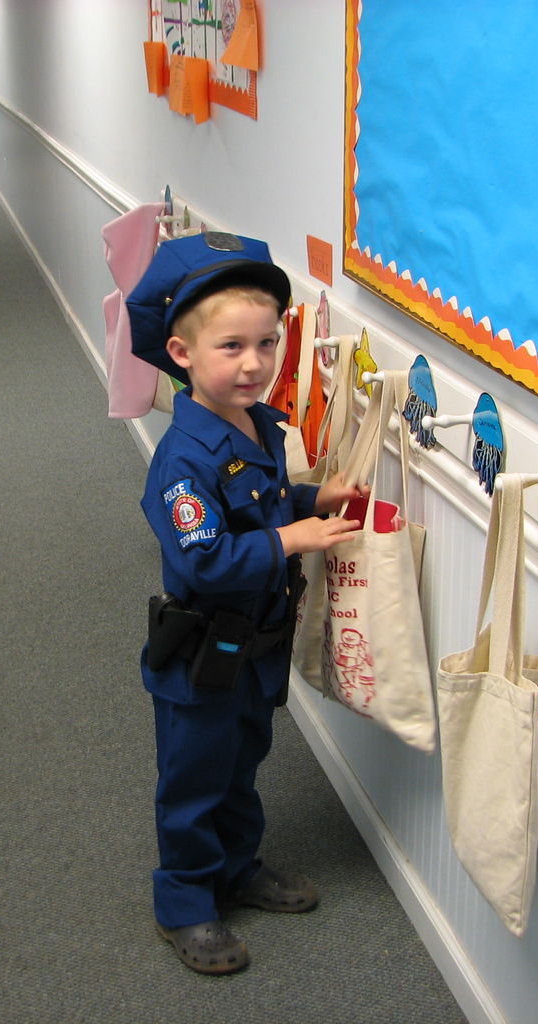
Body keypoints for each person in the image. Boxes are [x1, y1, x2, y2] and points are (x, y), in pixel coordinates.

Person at [126, 231, 366, 974]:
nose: (254, 363)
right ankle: (186, 901)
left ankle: (237, 866)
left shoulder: (257, 424)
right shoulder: (181, 459)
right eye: (231, 347)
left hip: (255, 643)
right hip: (202, 652)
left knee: (242, 761)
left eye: (267, 342)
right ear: (181, 355)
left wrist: (308, 496)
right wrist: (294, 538)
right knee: (195, 776)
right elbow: (207, 557)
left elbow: (257, 501)